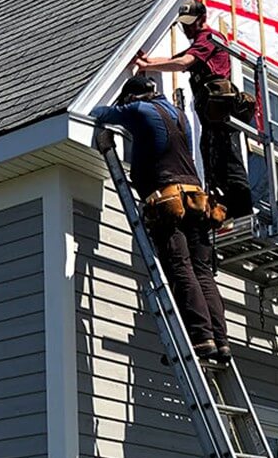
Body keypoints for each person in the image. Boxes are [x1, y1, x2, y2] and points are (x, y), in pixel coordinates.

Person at [93, 74, 230, 362]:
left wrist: (117, 109)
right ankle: (220, 340)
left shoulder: (137, 109)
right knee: (202, 271)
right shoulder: (180, 115)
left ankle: (200, 337)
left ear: (132, 97)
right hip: (196, 200)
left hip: (168, 201)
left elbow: (99, 112)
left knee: (180, 268)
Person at [133, 0, 253, 217]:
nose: (187, 28)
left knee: (227, 158)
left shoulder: (209, 39)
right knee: (212, 158)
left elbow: (183, 63)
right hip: (211, 115)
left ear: (203, 19)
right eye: (184, 24)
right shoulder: (199, 44)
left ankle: (242, 211)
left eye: (190, 23)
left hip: (221, 113)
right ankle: (225, 210)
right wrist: (147, 62)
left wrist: (148, 65)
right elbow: (174, 59)